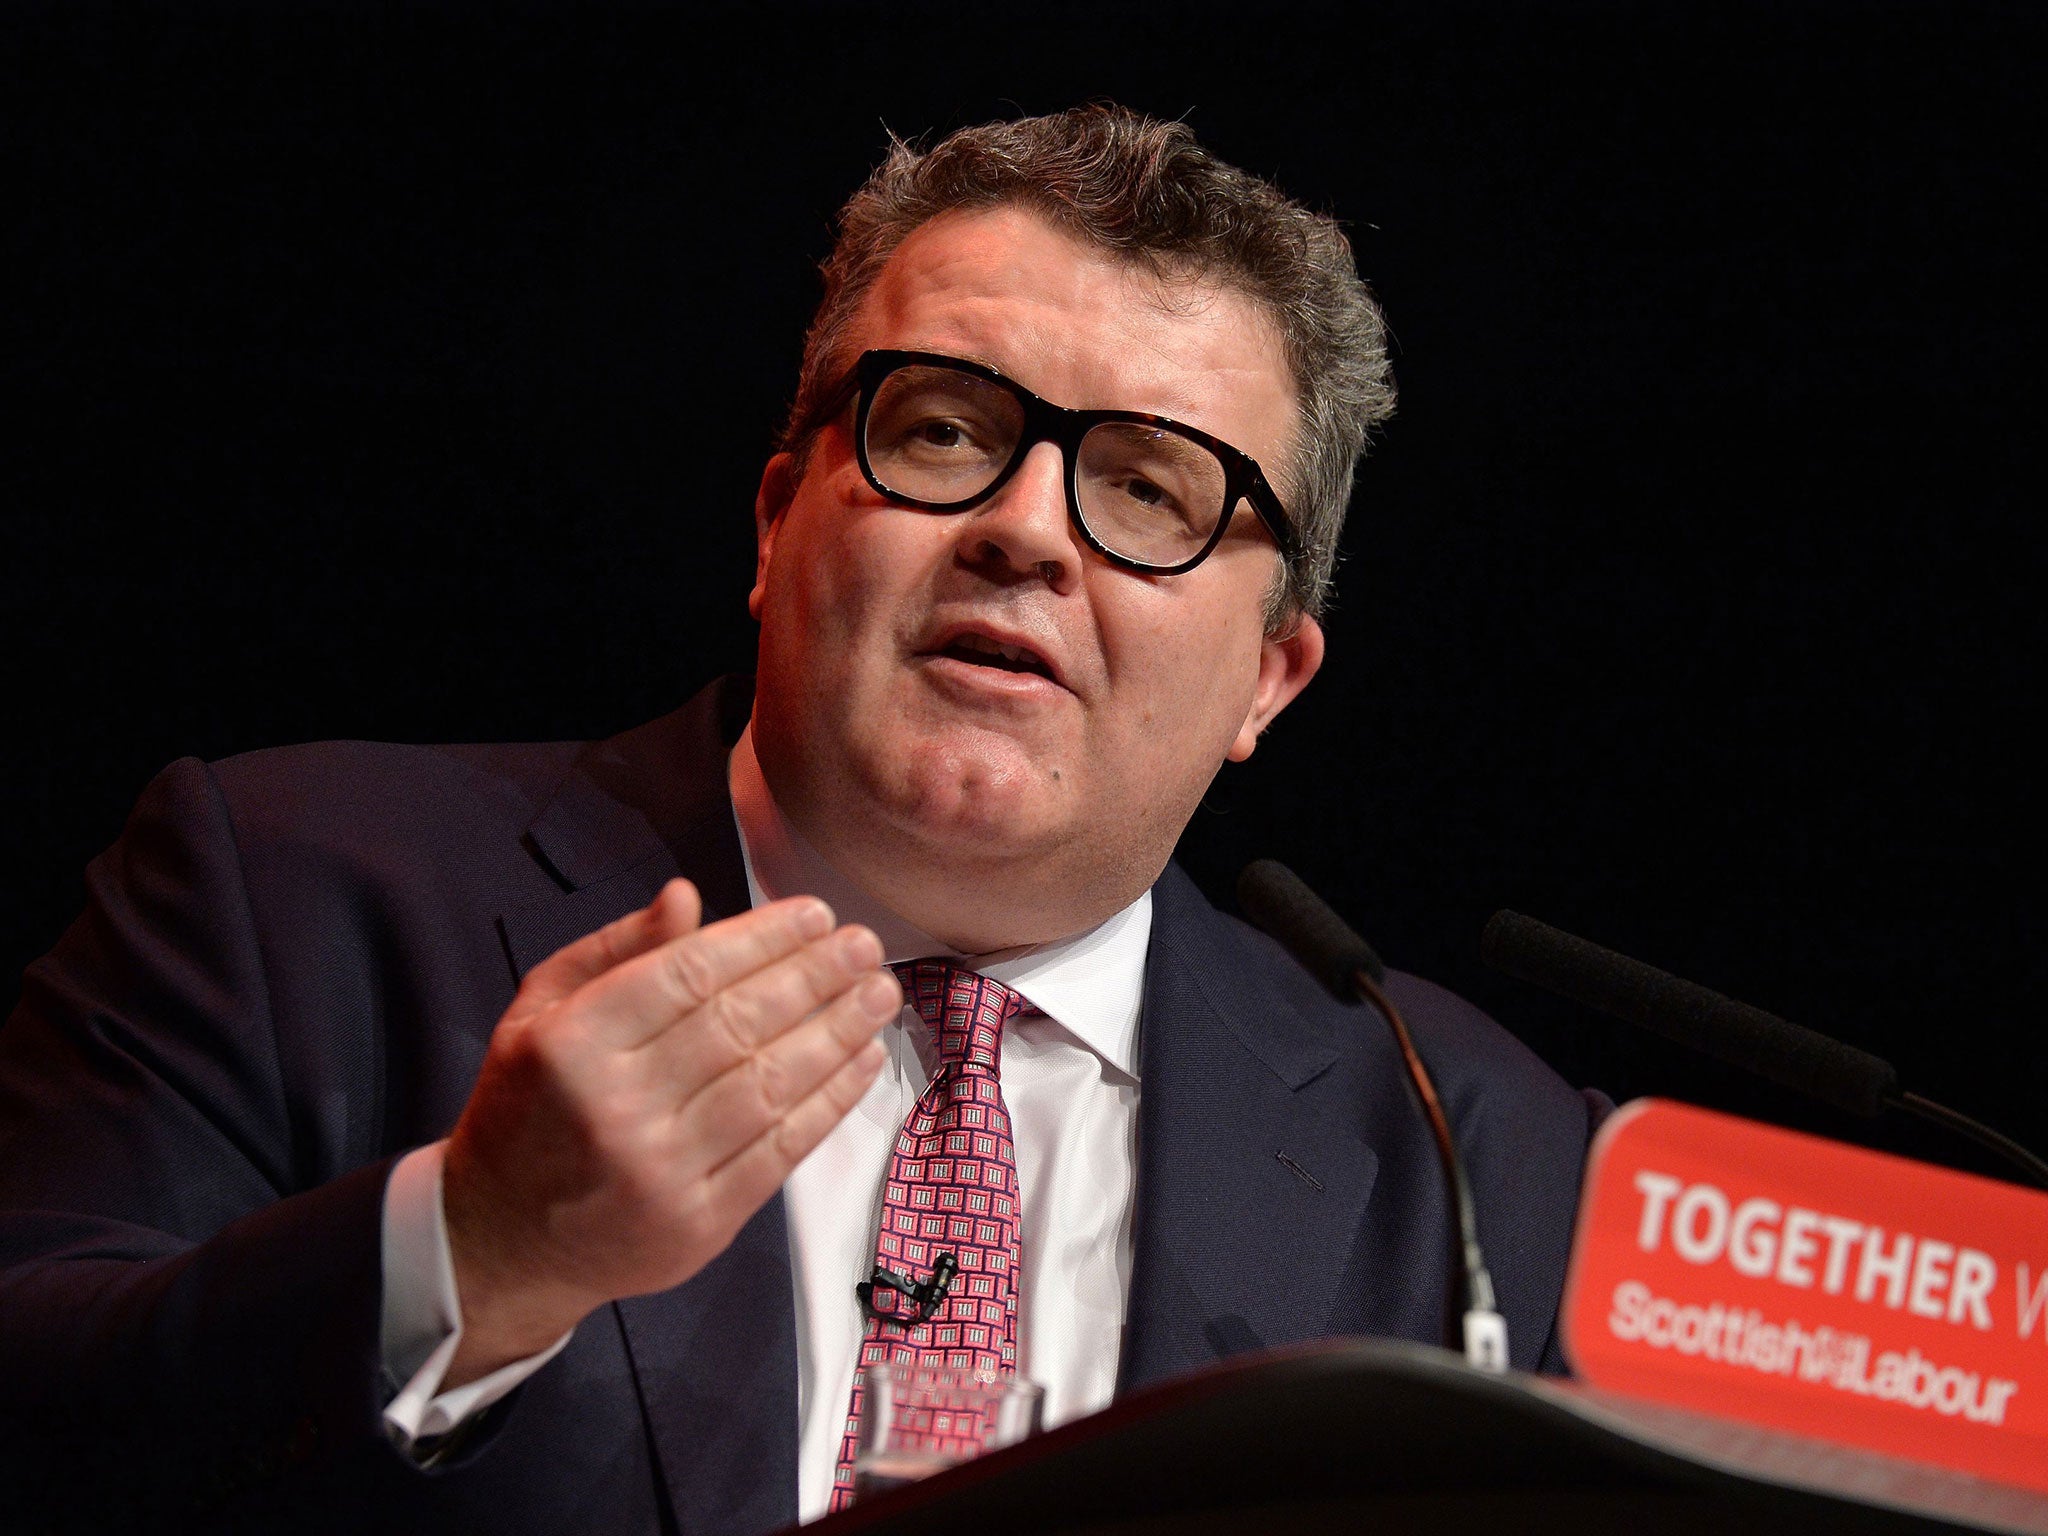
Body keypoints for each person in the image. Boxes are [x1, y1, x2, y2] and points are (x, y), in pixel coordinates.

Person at [0, 105, 1603, 1533]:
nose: (1024, 530)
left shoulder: (1476, 1159)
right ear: (778, 523)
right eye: (946, 431)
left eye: (1148, 489)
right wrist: (472, 1250)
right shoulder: (294, 893)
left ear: (1271, 675)